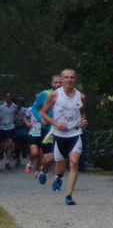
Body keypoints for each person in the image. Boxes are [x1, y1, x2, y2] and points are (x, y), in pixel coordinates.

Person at [42, 68, 88, 204]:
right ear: (61, 80)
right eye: (66, 77)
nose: (69, 80)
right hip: (59, 134)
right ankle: (59, 176)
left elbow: (83, 112)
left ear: (75, 79)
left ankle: (69, 196)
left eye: (71, 77)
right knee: (60, 167)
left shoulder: (81, 96)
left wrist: (84, 120)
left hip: (75, 133)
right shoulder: (55, 95)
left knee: (74, 163)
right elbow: (43, 112)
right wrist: (56, 123)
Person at [29, 75, 61, 184]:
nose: (58, 85)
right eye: (56, 82)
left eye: (60, 82)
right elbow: (34, 108)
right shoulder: (44, 94)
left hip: (62, 130)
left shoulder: (69, 95)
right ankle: (44, 170)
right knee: (49, 158)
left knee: (60, 157)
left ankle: (57, 180)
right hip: (47, 130)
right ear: (52, 83)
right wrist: (41, 119)